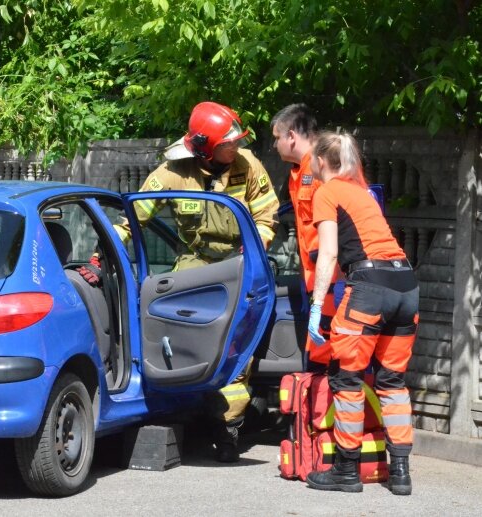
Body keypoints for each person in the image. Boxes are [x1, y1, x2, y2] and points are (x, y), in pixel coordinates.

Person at [79, 101, 279, 462]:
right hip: (196, 262)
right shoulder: (172, 173)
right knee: (175, 327)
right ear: (204, 148)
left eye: (235, 142)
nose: (234, 148)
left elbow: (267, 216)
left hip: (239, 262)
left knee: (236, 342)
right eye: (227, 144)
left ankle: (228, 426)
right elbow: (131, 220)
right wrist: (98, 257)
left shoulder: (248, 164)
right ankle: (178, 400)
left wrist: (254, 252)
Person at [305, 131, 418, 495]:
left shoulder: (327, 192)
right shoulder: (362, 193)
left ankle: (346, 471)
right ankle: (400, 472)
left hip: (369, 290)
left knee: (348, 381)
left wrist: (317, 304)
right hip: (405, 285)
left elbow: (330, 254)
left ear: (322, 160)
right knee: (392, 382)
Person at [270, 104, 335, 370]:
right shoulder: (299, 171)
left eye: (277, 138)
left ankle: (330, 410)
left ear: (292, 136)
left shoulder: (324, 164)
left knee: (328, 357)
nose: (275, 145)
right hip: (316, 281)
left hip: (332, 279)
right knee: (319, 356)